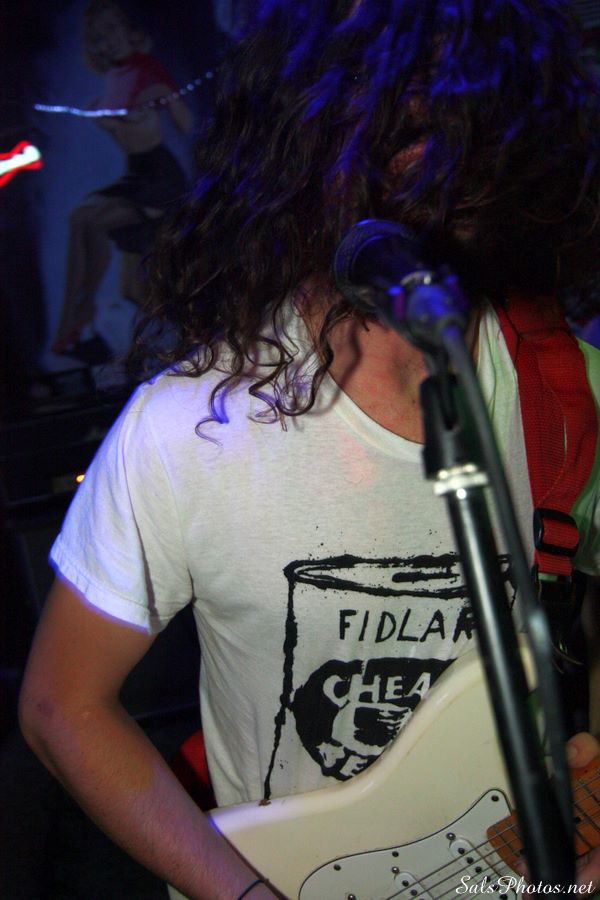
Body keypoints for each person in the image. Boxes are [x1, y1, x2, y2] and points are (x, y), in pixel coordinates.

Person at [19, 1, 600, 897]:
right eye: (398, 118)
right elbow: (63, 704)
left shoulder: (568, 394)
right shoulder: (187, 425)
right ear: (307, 148)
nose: (436, 151)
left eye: (462, 118)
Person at [51, 0, 193, 364]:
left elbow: (186, 123)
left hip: (159, 178)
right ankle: (76, 321)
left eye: (112, 30)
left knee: (93, 222)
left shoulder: (148, 69)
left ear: (129, 30)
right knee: (82, 221)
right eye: (98, 37)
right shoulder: (114, 78)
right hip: (135, 174)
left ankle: (77, 319)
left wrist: (162, 96)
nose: (107, 41)